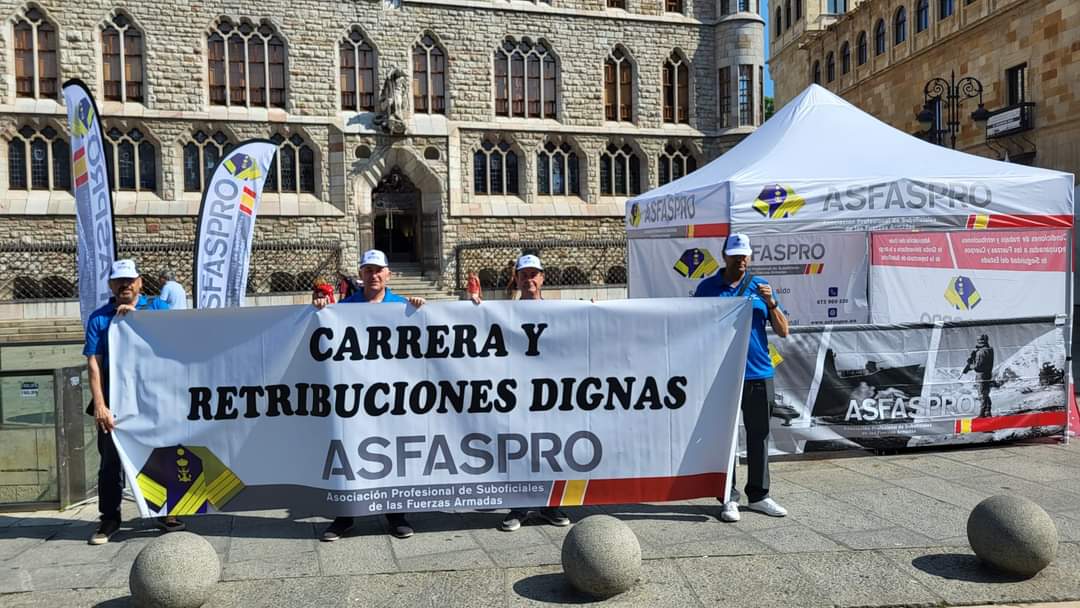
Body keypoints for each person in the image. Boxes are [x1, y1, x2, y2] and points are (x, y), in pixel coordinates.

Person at [314, 249, 425, 542]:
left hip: (392, 398)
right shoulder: (346, 307)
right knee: (349, 452)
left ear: (388, 274)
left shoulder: (402, 306)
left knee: (391, 454)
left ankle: (396, 515)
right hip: (355, 396)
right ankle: (344, 516)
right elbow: (324, 325)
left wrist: (421, 308)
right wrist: (321, 306)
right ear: (361, 275)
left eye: (378, 270)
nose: (373, 275)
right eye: (367, 270)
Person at [84, 259, 184, 545]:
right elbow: (94, 363)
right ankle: (110, 518)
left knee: (162, 455)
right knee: (110, 463)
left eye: (130, 280)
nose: (125, 285)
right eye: (119, 281)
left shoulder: (157, 310)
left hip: (153, 401)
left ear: (140, 282)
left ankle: (167, 511)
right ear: (111, 285)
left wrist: (137, 322)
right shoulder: (100, 318)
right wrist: (100, 405)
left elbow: (177, 340)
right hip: (115, 401)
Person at [693, 233, 789, 523]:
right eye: (736, 254)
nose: (741, 259)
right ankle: (728, 497)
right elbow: (694, 328)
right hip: (722, 375)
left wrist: (771, 303)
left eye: (745, 253)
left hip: (759, 371)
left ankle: (759, 495)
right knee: (726, 438)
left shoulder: (761, 287)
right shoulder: (708, 287)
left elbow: (784, 331)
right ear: (724, 256)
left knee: (759, 435)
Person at [496, 254, 571, 531]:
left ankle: (550, 505)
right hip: (517, 393)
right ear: (516, 278)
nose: (529, 279)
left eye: (533, 274)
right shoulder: (504, 312)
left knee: (549, 447)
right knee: (518, 447)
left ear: (542, 278)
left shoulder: (556, 310)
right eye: (523, 274)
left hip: (548, 393)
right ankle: (519, 506)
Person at [962, 334, 995, 418]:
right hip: (988, 374)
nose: (978, 342)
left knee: (982, 394)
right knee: (986, 394)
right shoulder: (990, 350)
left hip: (981, 375)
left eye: (979, 340)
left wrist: (970, 366)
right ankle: (987, 412)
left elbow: (978, 366)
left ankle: (982, 413)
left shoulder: (981, 352)